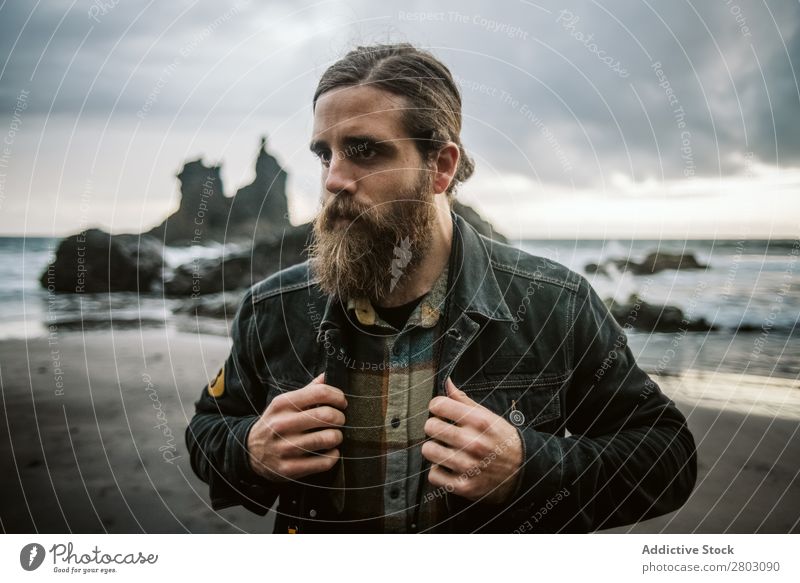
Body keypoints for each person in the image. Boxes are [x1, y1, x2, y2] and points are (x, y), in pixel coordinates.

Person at [185, 43, 697, 533]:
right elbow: (207, 432)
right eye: (325, 154)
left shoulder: (555, 303)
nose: (334, 180)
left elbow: (667, 455)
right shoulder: (274, 309)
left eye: (364, 151)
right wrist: (251, 450)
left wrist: (530, 468)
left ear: (441, 167)